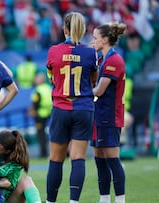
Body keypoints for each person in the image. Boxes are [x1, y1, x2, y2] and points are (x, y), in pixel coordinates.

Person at [45, 12, 98, 203]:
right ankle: (73, 201)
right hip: (83, 108)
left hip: (61, 107)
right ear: (82, 30)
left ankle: (51, 201)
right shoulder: (90, 52)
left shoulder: (53, 51)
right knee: (78, 158)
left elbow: (51, 78)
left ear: (64, 29)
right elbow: (93, 80)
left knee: (56, 159)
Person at [90, 22, 127, 203]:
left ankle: (120, 200)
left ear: (104, 40)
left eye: (95, 38)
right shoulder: (101, 59)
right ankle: (104, 198)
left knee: (112, 158)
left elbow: (99, 91)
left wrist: (76, 91)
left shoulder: (114, 60)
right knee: (99, 158)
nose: (93, 41)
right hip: (99, 115)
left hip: (109, 116)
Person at [28, 73, 52, 157]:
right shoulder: (49, 88)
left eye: (37, 78)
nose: (35, 80)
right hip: (50, 113)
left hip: (40, 115)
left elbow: (35, 103)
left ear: (40, 80)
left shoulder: (38, 90)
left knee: (41, 134)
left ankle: (43, 153)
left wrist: (32, 111)